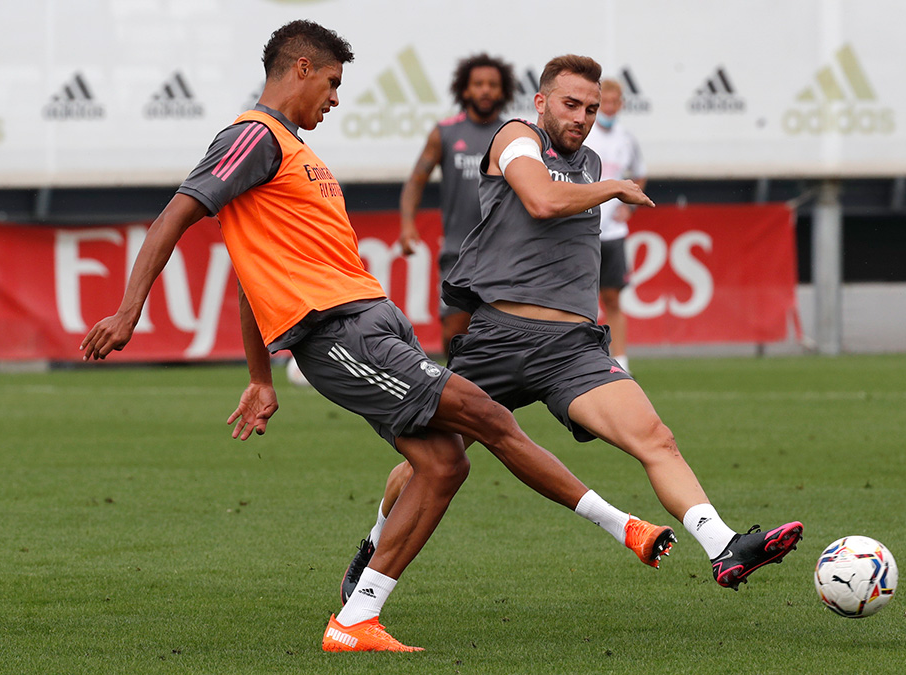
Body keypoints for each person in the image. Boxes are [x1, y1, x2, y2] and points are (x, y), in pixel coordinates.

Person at [80, 22, 674, 653]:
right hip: (339, 335)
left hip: (373, 323)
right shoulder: (254, 136)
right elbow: (178, 211)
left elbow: (251, 273)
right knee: (487, 416)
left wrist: (259, 376)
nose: (335, 99)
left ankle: (357, 619)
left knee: (444, 463)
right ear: (302, 68)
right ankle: (625, 527)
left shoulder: (296, 153)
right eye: (332, 83)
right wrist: (127, 310)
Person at [341, 55, 802, 603]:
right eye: (570, 104)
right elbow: (540, 199)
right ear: (541, 103)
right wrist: (613, 189)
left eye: (590, 106)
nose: (581, 116)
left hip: (570, 352)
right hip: (498, 341)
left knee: (656, 439)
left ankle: (723, 546)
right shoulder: (516, 137)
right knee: (433, 461)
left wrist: (604, 182)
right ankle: (376, 539)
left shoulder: (591, 161)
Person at [398, 53, 515, 359]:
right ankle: (456, 400)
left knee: (500, 339)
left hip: (505, 254)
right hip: (458, 253)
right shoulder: (445, 133)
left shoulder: (515, 135)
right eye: (478, 84)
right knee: (454, 333)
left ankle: (494, 402)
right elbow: (415, 181)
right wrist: (408, 225)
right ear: (465, 90)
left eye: (492, 84)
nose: (485, 90)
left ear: (503, 91)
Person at [583, 78, 645, 373]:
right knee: (582, 299)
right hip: (584, 230)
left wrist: (629, 207)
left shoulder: (626, 138)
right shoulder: (584, 134)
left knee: (613, 299)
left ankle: (620, 362)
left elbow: (640, 175)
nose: (608, 108)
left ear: (620, 104)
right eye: (603, 103)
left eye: (613, 102)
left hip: (614, 233)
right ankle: (583, 360)